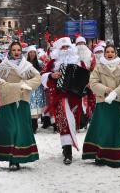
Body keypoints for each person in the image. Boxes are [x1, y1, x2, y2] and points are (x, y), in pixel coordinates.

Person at [0, 41, 41, 170]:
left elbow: (38, 78)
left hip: (22, 100)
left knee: (20, 129)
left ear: (21, 51)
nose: (16, 52)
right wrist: (10, 87)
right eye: (13, 50)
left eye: (18, 50)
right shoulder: (3, 66)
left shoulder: (27, 66)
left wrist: (27, 84)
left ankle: (16, 159)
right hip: (8, 100)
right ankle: (9, 157)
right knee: (10, 129)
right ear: (10, 51)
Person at [82, 44, 120, 167]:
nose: (109, 54)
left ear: (115, 53)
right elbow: (92, 82)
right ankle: (101, 155)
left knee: (115, 128)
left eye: (112, 52)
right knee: (103, 128)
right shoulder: (98, 67)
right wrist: (106, 90)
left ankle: (116, 156)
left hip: (117, 102)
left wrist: (114, 93)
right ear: (104, 54)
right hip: (103, 101)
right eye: (107, 51)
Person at [41, 36, 82, 165]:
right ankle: (68, 151)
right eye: (62, 47)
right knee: (63, 122)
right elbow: (42, 76)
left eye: (67, 47)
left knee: (72, 122)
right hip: (59, 97)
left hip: (75, 97)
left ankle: (66, 147)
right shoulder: (52, 63)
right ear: (58, 49)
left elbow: (86, 77)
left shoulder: (78, 61)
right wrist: (51, 75)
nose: (65, 49)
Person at [75, 36, 97, 128]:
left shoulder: (91, 56)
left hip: (87, 82)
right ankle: (76, 122)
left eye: (82, 43)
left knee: (85, 103)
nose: (81, 46)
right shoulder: (72, 55)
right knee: (75, 102)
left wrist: (91, 81)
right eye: (79, 44)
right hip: (74, 82)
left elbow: (94, 70)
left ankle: (84, 122)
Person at [26, 45, 46, 134]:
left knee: (36, 106)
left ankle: (34, 125)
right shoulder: (25, 63)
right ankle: (30, 125)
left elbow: (44, 74)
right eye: (30, 52)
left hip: (37, 87)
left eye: (33, 52)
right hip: (28, 87)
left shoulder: (40, 63)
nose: (32, 54)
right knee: (29, 105)